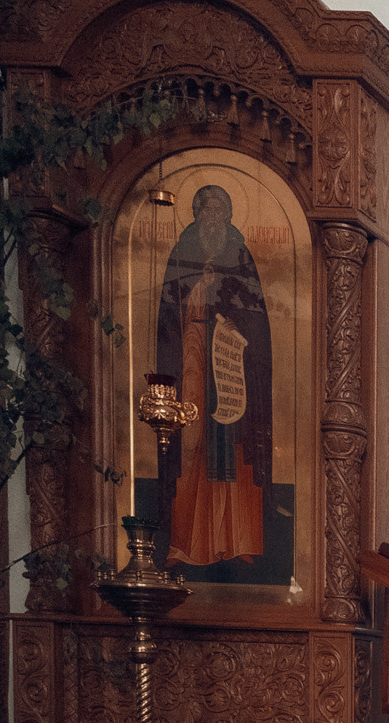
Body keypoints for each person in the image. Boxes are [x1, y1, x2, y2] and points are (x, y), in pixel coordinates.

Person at [157, 184, 275, 575]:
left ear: (227, 216)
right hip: (192, 356)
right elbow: (169, 317)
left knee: (234, 451)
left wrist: (232, 323)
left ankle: (239, 540)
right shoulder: (181, 253)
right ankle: (186, 543)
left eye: (218, 211)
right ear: (195, 215)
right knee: (191, 445)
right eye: (205, 210)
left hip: (231, 365)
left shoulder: (240, 254)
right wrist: (199, 291)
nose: (212, 217)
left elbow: (254, 315)